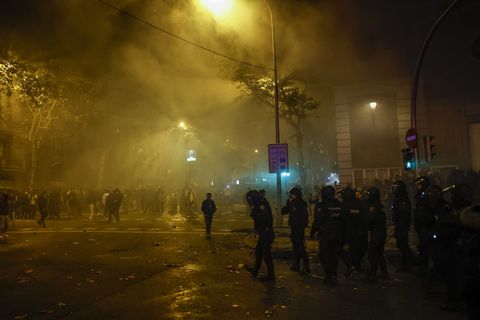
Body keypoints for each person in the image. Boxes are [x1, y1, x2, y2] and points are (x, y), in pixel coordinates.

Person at [311, 185, 344, 285]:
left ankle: (329, 275)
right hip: (338, 234)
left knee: (324, 255)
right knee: (334, 255)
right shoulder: (338, 204)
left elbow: (318, 220)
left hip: (326, 234)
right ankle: (334, 274)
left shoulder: (322, 205)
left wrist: (313, 232)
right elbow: (343, 219)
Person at [246, 189, 275, 281]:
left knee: (266, 254)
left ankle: (271, 275)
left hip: (266, 232)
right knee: (258, 252)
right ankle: (255, 269)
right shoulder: (258, 203)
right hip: (263, 231)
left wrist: (252, 212)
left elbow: (262, 218)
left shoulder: (261, 204)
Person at [281, 187, 310, 274]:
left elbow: (305, 217)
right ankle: (296, 264)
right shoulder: (293, 203)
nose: (290, 196)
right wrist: (288, 204)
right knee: (295, 246)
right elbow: (283, 211)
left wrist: (302, 227)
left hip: (299, 228)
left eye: (292, 194)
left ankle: (306, 266)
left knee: (300, 246)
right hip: (294, 227)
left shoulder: (301, 204)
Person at [341, 186, 368, 274]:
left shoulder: (345, 205)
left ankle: (352, 266)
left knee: (351, 250)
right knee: (358, 249)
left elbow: (343, 218)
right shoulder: (360, 203)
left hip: (350, 231)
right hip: (361, 231)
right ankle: (357, 266)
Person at [365, 187, 389, 282]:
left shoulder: (375, 207)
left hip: (377, 233)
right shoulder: (379, 205)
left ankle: (373, 274)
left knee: (372, 254)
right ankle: (384, 272)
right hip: (380, 232)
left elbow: (370, 220)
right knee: (379, 254)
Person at [390, 180, 414, 272]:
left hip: (402, 226)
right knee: (401, 244)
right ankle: (408, 262)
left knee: (403, 245)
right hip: (399, 225)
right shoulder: (398, 198)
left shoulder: (403, 199)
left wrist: (400, 226)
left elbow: (404, 215)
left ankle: (407, 265)